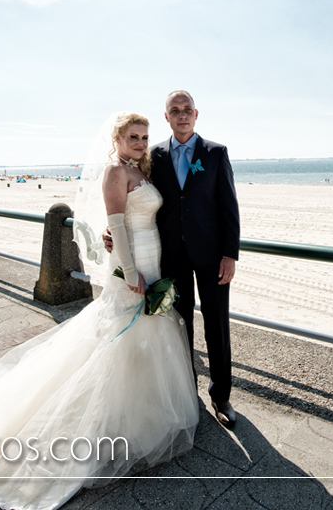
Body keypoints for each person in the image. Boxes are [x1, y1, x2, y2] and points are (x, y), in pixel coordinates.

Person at [0, 113, 198, 510]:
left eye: (144, 137)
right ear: (116, 139)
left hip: (153, 256)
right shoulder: (114, 172)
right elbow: (116, 225)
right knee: (119, 338)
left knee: (148, 336)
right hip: (131, 265)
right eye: (133, 136)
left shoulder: (140, 169)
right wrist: (131, 271)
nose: (140, 142)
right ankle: (107, 421)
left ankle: (142, 416)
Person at [107, 90, 240, 428]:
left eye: (187, 110)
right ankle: (185, 392)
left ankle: (221, 395)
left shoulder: (216, 153)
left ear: (196, 114)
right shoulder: (152, 156)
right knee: (179, 326)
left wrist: (229, 255)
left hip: (212, 256)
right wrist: (109, 234)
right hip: (171, 257)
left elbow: (229, 208)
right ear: (167, 117)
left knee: (217, 325)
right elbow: (125, 201)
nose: (182, 115)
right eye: (174, 110)